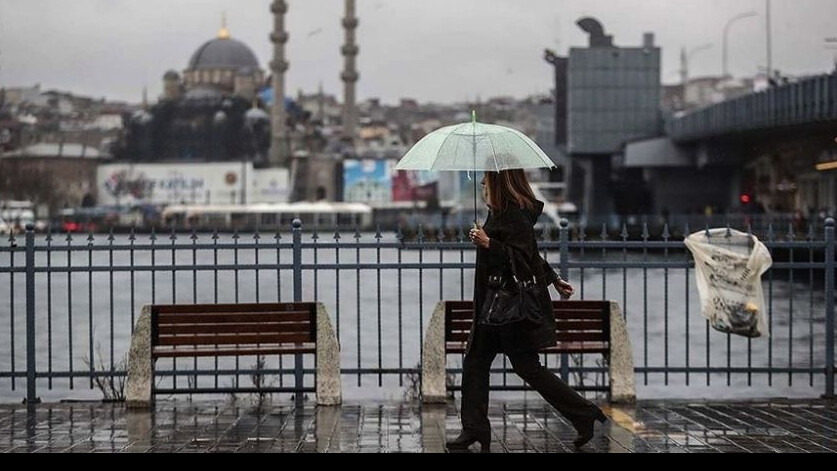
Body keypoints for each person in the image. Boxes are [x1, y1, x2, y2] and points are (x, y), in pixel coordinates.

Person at [446, 169, 607, 453]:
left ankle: (583, 413)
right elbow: (530, 254)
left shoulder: (512, 214)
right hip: (493, 307)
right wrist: (554, 279)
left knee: (525, 367)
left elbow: (521, 258)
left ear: (499, 180)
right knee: (475, 362)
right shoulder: (499, 212)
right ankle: (474, 429)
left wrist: (488, 244)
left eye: (487, 177)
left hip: (507, 307)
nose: (483, 182)